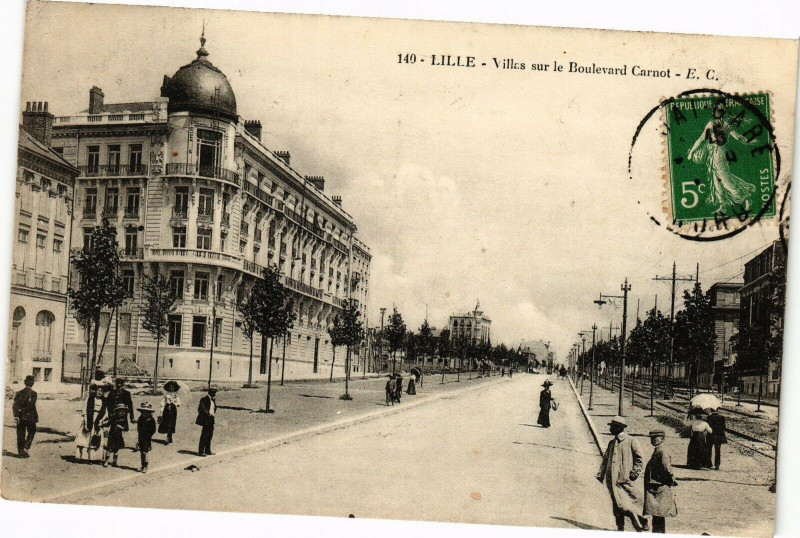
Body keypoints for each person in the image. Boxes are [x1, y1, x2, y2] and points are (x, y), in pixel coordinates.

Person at [597, 416, 649, 532]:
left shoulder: (631, 441)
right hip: (612, 481)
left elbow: (639, 459)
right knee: (617, 506)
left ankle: (642, 521)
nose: (610, 429)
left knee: (630, 504)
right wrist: (601, 474)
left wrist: (634, 472)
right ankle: (620, 528)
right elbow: (606, 460)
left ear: (618, 428)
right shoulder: (612, 443)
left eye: (612, 427)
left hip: (625, 480)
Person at [643, 429, 678, 534]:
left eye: (655, 438)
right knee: (657, 514)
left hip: (659, 486)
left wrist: (671, 479)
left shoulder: (663, 451)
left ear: (662, 439)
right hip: (656, 485)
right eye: (651, 438)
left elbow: (667, 468)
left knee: (659, 514)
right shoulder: (659, 449)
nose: (653, 440)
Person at [12, 375, 38, 458]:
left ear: (25, 383)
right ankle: (26, 446)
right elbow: (31, 405)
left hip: (20, 417)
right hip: (30, 417)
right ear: (33, 383)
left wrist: (16, 415)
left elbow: (15, 405)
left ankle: (21, 452)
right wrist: (24, 411)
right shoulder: (33, 394)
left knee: (20, 434)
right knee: (32, 431)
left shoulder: (19, 393)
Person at [101, 402, 130, 467]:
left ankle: (114, 462)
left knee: (117, 449)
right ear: (117, 411)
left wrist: (121, 427)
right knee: (109, 448)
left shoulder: (125, 419)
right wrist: (102, 424)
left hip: (119, 436)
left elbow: (126, 429)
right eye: (120, 411)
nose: (122, 412)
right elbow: (108, 424)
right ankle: (106, 461)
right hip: (112, 435)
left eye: (123, 411)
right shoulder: (113, 417)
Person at [196, 386, 218, 456]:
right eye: (213, 392)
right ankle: (201, 451)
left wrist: (212, 414)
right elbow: (201, 408)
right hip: (206, 419)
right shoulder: (204, 399)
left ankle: (207, 450)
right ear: (209, 392)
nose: (214, 393)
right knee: (204, 435)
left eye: (215, 392)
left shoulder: (213, 399)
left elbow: (214, 408)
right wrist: (208, 413)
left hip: (211, 419)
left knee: (210, 435)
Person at [136, 402, 157, 473]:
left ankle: (146, 466)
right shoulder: (140, 419)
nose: (145, 413)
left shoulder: (151, 420)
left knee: (145, 452)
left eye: (147, 412)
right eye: (143, 412)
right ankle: (142, 465)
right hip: (141, 437)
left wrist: (149, 435)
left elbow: (153, 429)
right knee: (141, 452)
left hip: (147, 438)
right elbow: (138, 429)